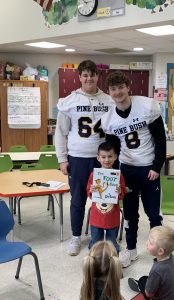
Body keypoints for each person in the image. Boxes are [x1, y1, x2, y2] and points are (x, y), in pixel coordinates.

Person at [101, 71, 166, 267]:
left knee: (153, 213)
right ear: (109, 92)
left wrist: (157, 166)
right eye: (113, 89)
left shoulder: (146, 106)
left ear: (128, 87)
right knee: (129, 213)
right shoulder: (109, 118)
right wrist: (110, 173)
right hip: (127, 169)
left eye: (121, 87)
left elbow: (160, 139)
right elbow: (111, 149)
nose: (118, 92)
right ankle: (131, 250)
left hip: (148, 168)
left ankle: (160, 251)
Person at [55, 60, 114, 256]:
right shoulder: (69, 100)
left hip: (103, 158)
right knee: (78, 199)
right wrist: (62, 159)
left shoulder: (108, 100)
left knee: (104, 198)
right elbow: (60, 133)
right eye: (85, 75)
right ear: (79, 77)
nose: (89, 78)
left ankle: (102, 235)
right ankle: (75, 237)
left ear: (98, 76)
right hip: (78, 156)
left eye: (92, 74)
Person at [128, 226, 174, 300]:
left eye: (150, 243)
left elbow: (149, 294)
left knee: (142, 280)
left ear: (160, 251)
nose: (146, 243)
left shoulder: (157, 270)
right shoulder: (171, 257)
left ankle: (139, 286)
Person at [87, 141, 126, 253]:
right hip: (96, 217)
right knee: (95, 243)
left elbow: (122, 194)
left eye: (110, 156)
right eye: (103, 157)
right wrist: (92, 190)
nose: (107, 160)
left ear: (115, 157)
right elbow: (89, 193)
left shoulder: (119, 176)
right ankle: (94, 263)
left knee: (112, 244)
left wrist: (119, 192)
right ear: (98, 158)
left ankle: (113, 264)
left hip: (112, 217)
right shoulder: (93, 175)